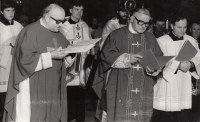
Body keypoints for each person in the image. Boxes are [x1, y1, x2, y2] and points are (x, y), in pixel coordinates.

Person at [3, 3, 74, 122]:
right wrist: (52, 55)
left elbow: (65, 62)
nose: (61, 24)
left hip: (52, 85)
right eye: (58, 21)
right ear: (47, 17)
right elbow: (24, 61)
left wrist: (72, 54)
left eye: (63, 20)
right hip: (32, 83)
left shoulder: (59, 34)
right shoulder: (30, 31)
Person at [93, 8, 163, 122]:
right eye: (141, 22)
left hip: (144, 86)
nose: (144, 26)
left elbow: (159, 58)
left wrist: (157, 70)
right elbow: (105, 56)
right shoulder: (116, 35)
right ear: (131, 18)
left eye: (147, 23)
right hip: (120, 85)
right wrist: (126, 58)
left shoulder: (150, 38)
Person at [153, 15, 200, 122]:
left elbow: (198, 57)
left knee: (182, 115)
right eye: (179, 27)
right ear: (172, 25)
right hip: (167, 83)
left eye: (184, 27)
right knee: (165, 115)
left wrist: (191, 63)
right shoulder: (161, 41)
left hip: (184, 81)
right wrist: (178, 65)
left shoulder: (191, 40)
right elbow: (159, 60)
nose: (182, 30)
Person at [59, 1, 91, 122]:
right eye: (76, 9)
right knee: (68, 95)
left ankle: (79, 118)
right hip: (68, 63)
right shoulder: (63, 25)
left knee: (80, 94)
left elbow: (88, 44)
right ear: (70, 10)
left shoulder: (84, 25)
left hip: (81, 65)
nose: (79, 12)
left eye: (81, 10)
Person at [0, 1, 23, 121]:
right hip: (2, 66)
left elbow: (23, 44)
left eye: (12, 10)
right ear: (1, 11)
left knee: (13, 93)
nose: (11, 13)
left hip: (15, 64)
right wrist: (9, 49)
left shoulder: (19, 26)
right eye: (7, 11)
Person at [188, 21, 200, 122]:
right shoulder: (187, 41)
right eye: (194, 29)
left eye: (198, 30)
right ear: (190, 30)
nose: (196, 32)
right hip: (190, 73)